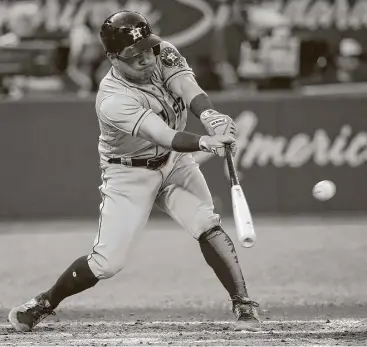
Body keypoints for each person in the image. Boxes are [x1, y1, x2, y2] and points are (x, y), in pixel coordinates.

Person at [8, 11, 261, 333]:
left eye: (147, 49)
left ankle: (243, 304)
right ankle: (44, 302)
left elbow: (186, 86)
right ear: (113, 58)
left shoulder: (164, 51)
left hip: (174, 163)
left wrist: (210, 115)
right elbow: (164, 135)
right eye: (133, 55)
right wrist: (207, 142)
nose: (145, 60)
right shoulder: (113, 99)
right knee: (107, 263)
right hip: (129, 174)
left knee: (206, 222)